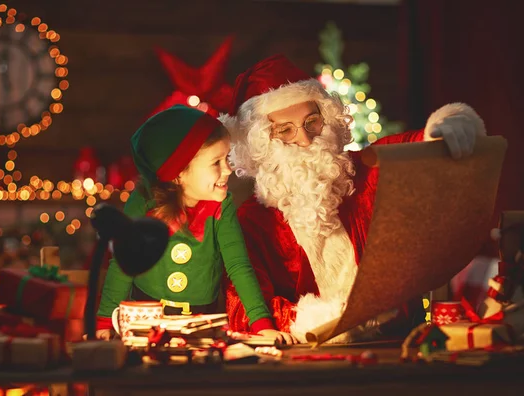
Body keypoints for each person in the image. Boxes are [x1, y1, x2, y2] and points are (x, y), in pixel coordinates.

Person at [219, 54, 487, 343]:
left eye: (312, 121)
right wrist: (322, 320)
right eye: (285, 130)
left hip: (398, 343)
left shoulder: (362, 172)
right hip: (308, 360)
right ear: (263, 142)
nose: (306, 139)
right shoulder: (252, 222)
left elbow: (415, 148)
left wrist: (446, 125)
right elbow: (245, 309)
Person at [95, 105, 293, 343]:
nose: (228, 169)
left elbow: (238, 266)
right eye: (216, 162)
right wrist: (105, 321)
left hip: (203, 323)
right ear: (179, 173)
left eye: (227, 158)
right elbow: (123, 264)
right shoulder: (144, 203)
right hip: (146, 323)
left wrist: (262, 325)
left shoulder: (222, 206)